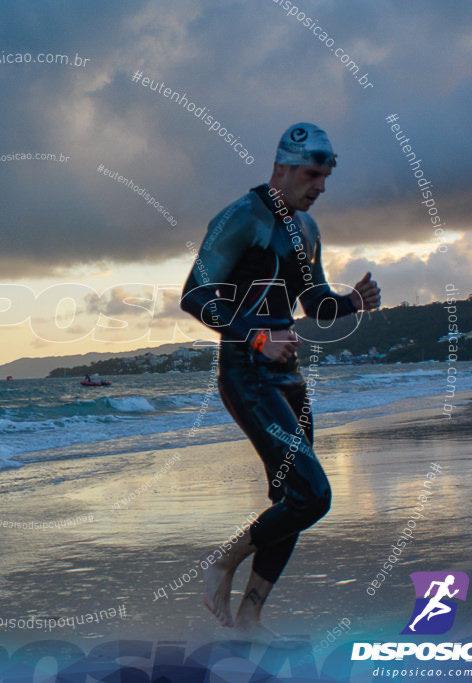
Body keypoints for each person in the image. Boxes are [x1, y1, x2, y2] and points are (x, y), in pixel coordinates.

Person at [180, 122, 381, 644]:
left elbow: (314, 304)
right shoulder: (240, 218)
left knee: (290, 498)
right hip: (247, 374)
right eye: (313, 175)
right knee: (313, 494)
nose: (320, 187)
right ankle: (222, 562)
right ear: (282, 168)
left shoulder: (307, 231)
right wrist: (255, 340)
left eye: (325, 177)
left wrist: (352, 303)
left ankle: (250, 620)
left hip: (289, 376)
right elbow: (196, 294)